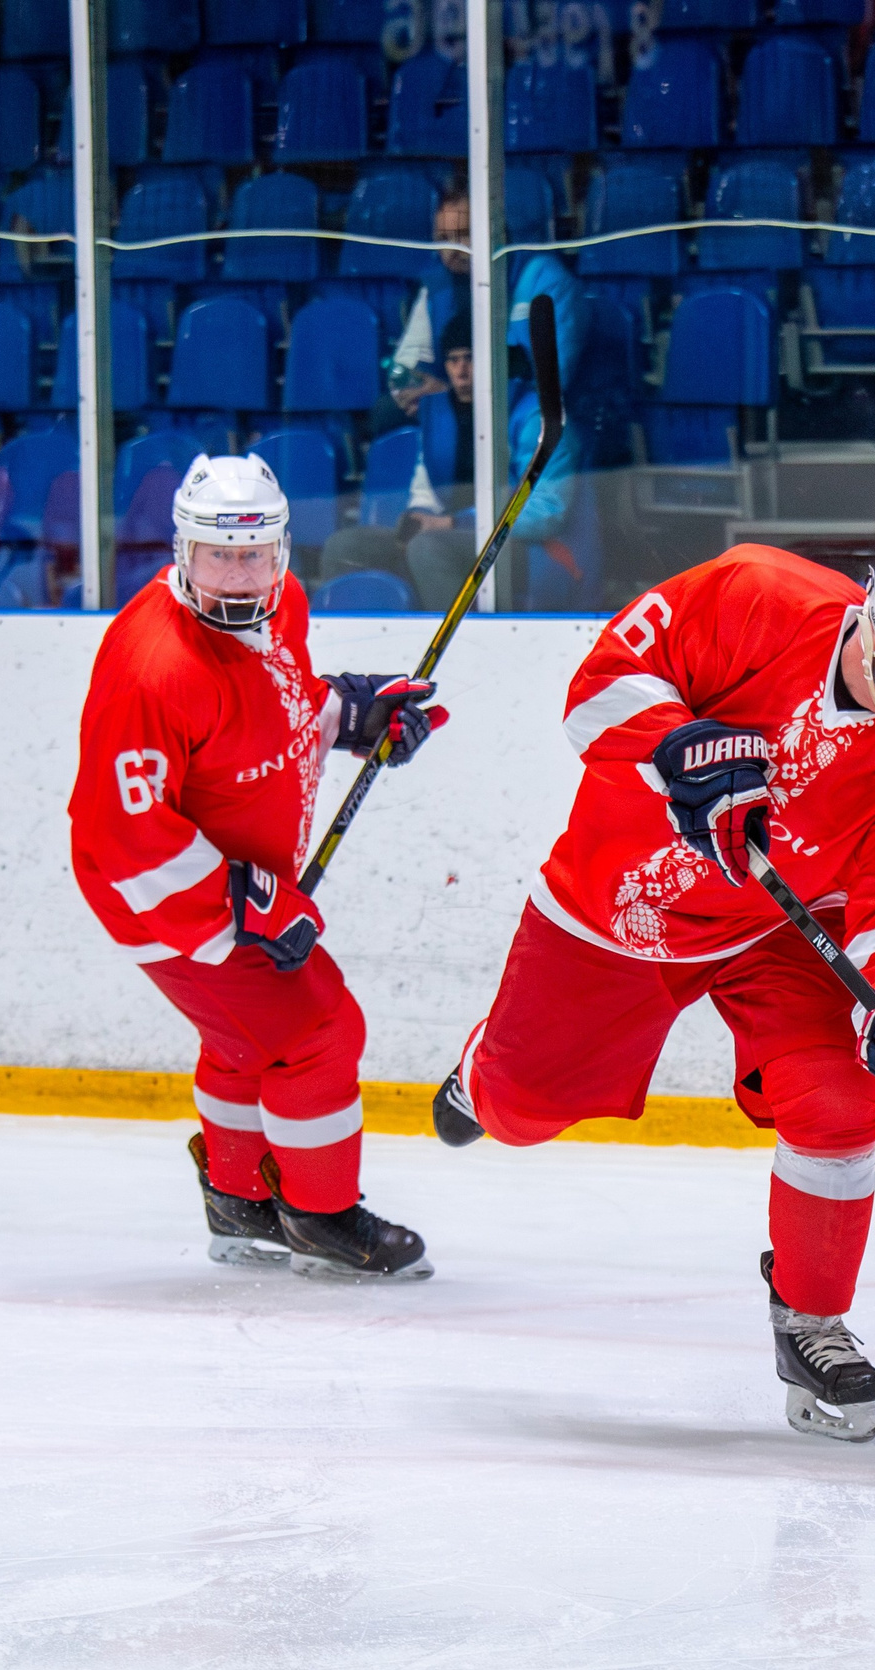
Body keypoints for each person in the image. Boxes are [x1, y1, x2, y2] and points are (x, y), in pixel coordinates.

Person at [430, 520, 875, 1442]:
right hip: (620, 904)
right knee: (518, 1103)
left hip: (781, 926)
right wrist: (681, 744)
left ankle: (811, 1321)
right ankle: (481, 1071)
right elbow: (596, 691)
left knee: (836, 1099)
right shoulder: (756, 594)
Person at [68, 453, 442, 1282]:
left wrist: (357, 714)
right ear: (181, 552)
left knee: (243, 1040)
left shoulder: (282, 607)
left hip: (230, 878)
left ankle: (240, 1199)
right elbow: (123, 831)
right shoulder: (153, 668)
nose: (237, 575)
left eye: (254, 555)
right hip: (159, 894)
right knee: (317, 1030)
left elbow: (279, 704)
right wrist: (244, 897)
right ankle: (319, 1214)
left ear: (280, 554)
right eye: (217, 554)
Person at [318, 316, 588, 612]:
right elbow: (425, 491)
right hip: (455, 535)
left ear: (494, 360)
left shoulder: (538, 419)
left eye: (470, 359)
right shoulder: (439, 414)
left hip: (535, 550)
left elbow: (546, 512)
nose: (461, 370)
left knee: (429, 548)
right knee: (345, 546)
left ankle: (457, 654)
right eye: (452, 360)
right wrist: (419, 516)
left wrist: (457, 522)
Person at [387, 180, 587, 416]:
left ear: (496, 233)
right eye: (443, 238)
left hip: (534, 412)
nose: (451, 249)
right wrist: (415, 390)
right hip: (462, 409)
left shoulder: (546, 282)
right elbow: (406, 368)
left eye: (462, 235)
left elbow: (553, 381)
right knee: (387, 413)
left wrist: (457, 395)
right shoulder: (436, 289)